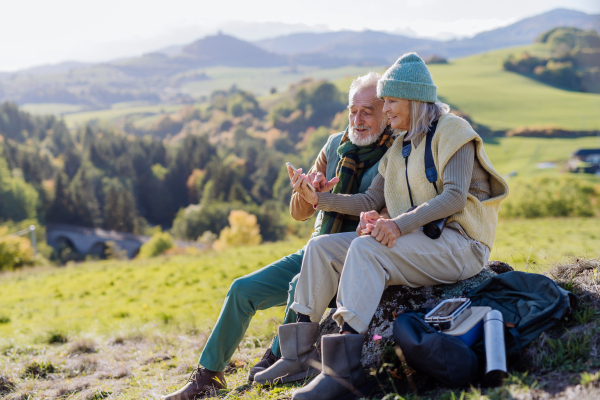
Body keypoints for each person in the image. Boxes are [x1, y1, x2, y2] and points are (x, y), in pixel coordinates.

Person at [254, 53, 510, 400]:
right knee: (321, 247)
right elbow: (366, 203)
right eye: (385, 101)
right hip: (425, 243)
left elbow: (453, 198)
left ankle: (343, 372)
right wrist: (317, 200)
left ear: (414, 100)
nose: (385, 108)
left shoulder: (453, 131)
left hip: (463, 246)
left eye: (391, 100)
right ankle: (296, 356)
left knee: (366, 248)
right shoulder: (399, 147)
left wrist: (398, 225)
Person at [164, 72, 396, 400]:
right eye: (352, 111)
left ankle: (276, 359)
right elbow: (299, 213)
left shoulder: (394, 152)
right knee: (241, 290)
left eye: (367, 112)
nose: (357, 120)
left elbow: (369, 203)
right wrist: (305, 191)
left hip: (354, 258)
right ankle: (209, 376)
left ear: (385, 112)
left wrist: (320, 199)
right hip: (313, 249)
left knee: (295, 286)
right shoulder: (335, 145)